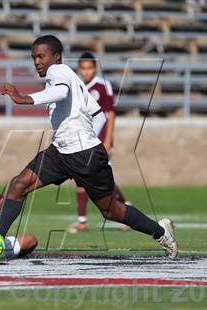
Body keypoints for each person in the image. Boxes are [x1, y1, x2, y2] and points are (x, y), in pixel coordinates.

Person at [0, 35, 178, 259]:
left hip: (83, 155)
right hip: (63, 151)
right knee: (19, 184)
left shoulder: (57, 72)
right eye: (33, 57)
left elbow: (61, 93)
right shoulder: (75, 80)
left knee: (111, 210)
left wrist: (24, 98)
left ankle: (161, 232)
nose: (36, 61)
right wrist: (86, 139)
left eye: (41, 56)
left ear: (56, 57)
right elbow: (98, 115)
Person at [68, 51, 131, 232]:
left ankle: (125, 209)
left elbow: (110, 114)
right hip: (81, 140)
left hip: (99, 141)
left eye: (90, 68)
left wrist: (108, 139)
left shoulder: (103, 86)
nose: (87, 71)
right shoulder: (76, 86)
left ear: (95, 68)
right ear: (79, 69)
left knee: (101, 179)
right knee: (81, 178)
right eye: (83, 68)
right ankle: (82, 221)